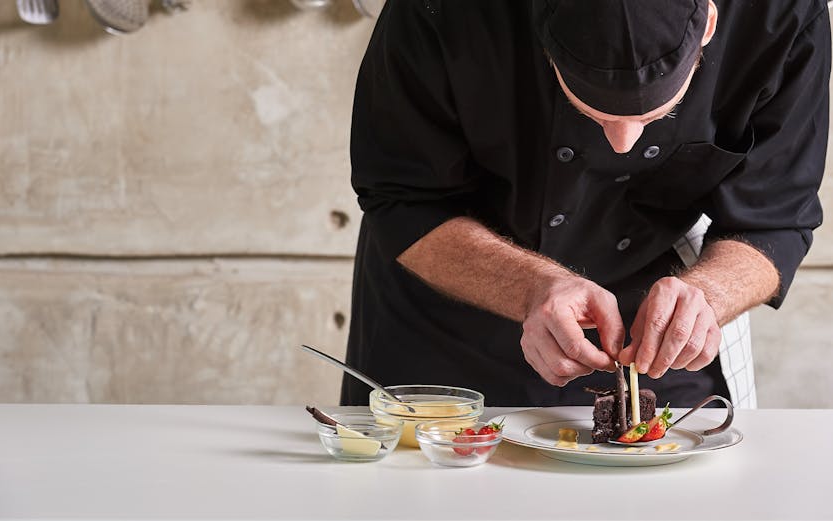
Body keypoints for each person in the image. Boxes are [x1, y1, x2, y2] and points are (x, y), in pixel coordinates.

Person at [340, 0, 831, 407]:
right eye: (594, 111)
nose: (623, 142)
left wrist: (709, 295)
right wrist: (530, 288)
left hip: (662, 330)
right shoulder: (441, 10)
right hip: (447, 324)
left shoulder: (780, 13)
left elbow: (776, 215)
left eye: (653, 116)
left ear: (709, 22)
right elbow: (403, 197)